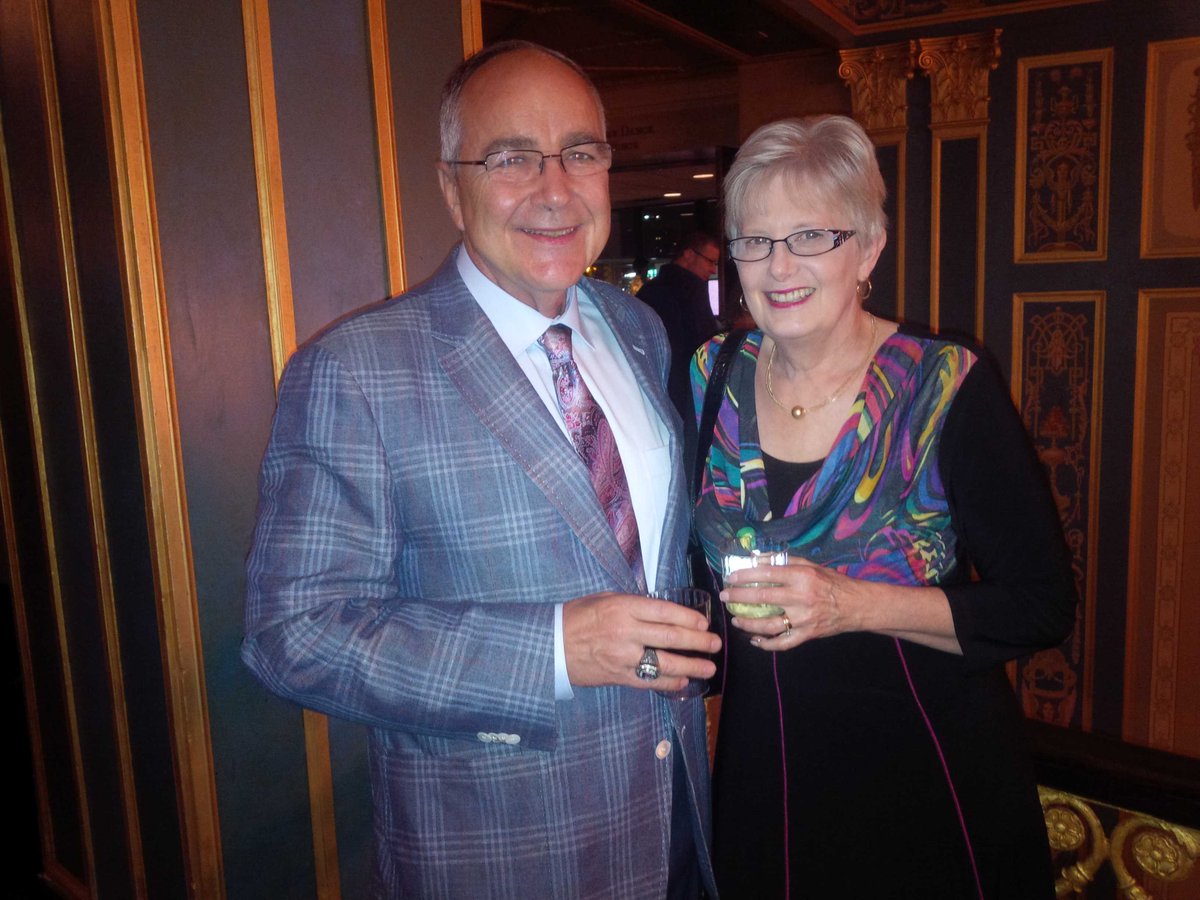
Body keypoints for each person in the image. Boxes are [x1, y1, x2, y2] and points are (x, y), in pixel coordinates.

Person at [242, 41, 720, 899]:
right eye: (509, 158)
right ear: (450, 188)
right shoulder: (357, 369)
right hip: (501, 855)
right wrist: (551, 650)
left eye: (581, 152)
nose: (555, 189)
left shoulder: (634, 328)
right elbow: (294, 637)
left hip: (675, 822)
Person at [691, 115, 1076, 899]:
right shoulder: (708, 375)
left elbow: (1040, 606)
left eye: (810, 236)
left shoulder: (943, 385)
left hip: (924, 764)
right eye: (754, 241)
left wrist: (851, 604)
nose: (778, 265)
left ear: (867, 248)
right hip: (764, 766)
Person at [639, 232, 722, 465]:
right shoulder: (690, 290)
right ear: (688, 255)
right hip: (687, 399)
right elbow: (702, 348)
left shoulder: (649, 292)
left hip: (656, 401)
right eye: (710, 261)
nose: (713, 269)